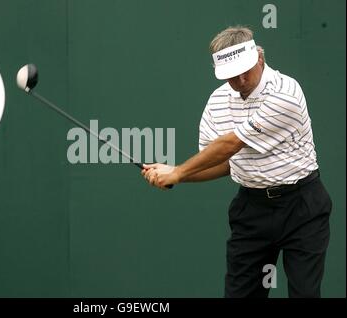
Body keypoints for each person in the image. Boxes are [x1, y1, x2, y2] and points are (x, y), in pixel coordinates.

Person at [141, 26, 332, 298]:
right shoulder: (217, 101)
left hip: (302, 206)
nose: (241, 79)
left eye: (247, 70)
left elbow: (232, 144)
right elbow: (221, 163)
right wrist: (175, 174)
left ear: (260, 59)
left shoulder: (286, 92)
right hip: (251, 209)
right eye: (232, 75)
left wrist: (178, 171)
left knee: (305, 295)